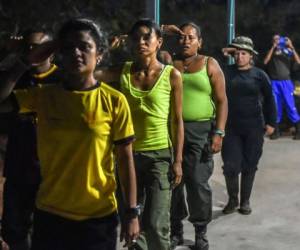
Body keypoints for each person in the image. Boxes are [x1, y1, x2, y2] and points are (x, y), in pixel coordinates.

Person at [0, 18, 139, 250]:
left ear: (100, 54)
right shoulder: (43, 97)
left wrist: (132, 212)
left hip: (98, 218)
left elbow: (125, 160)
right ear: (59, 54)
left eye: (84, 46)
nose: (76, 52)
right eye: (68, 47)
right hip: (51, 215)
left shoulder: (114, 101)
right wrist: (24, 61)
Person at [95, 18, 184, 250]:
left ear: (159, 42)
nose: (141, 42)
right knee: (133, 225)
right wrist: (108, 48)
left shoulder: (171, 75)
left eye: (147, 37)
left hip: (159, 158)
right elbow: (90, 74)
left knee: (156, 224)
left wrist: (178, 161)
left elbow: (177, 120)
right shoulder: (123, 72)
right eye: (136, 38)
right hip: (128, 157)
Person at [162, 22, 227, 250]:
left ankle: (200, 232)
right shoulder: (169, 62)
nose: (186, 41)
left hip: (201, 132)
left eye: (191, 37)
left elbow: (221, 101)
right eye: (182, 37)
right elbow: (147, 40)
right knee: (173, 182)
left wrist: (218, 132)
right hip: (170, 130)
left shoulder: (209, 63)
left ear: (200, 41)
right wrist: (163, 29)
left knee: (198, 183)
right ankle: (176, 231)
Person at [0, 28, 60, 250]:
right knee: (13, 230)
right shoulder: (16, 77)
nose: (33, 52)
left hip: (51, 171)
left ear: (51, 51)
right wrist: (15, 59)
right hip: (19, 167)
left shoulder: (62, 79)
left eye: (38, 47)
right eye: (28, 47)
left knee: (47, 231)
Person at [222, 36, 276, 215]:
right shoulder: (226, 72)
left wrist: (271, 122)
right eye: (236, 53)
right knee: (230, 166)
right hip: (230, 128)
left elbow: (269, 99)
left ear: (251, 56)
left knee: (250, 164)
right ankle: (232, 199)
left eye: (243, 53)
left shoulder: (259, 75)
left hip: (253, 127)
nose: (239, 57)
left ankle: (245, 201)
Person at [263, 34, 300, 139]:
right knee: (276, 106)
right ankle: (276, 131)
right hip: (274, 82)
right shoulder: (271, 51)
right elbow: (265, 61)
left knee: (290, 105)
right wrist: (273, 47)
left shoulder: (287, 51)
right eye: (275, 39)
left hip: (286, 82)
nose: (277, 41)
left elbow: (298, 61)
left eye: (279, 39)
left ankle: (298, 130)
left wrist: (291, 46)